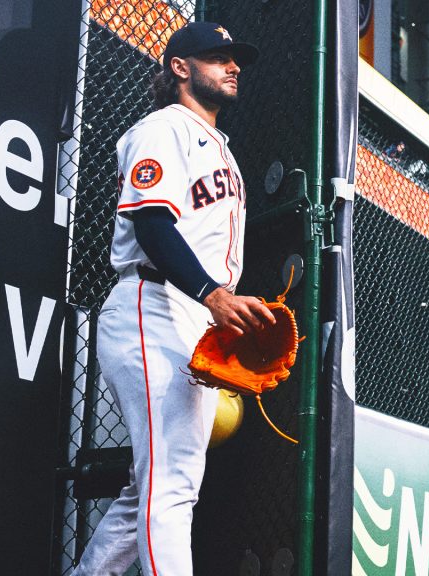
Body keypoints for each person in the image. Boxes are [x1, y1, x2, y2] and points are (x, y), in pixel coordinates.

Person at [71, 21, 275, 576]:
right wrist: (212, 294)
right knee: (173, 484)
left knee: (153, 488)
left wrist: (213, 301)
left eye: (234, 58)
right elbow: (152, 223)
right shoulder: (163, 129)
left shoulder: (221, 148)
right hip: (154, 303)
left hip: (193, 311)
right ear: (180, 68)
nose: (233, 66)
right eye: (217, 57)